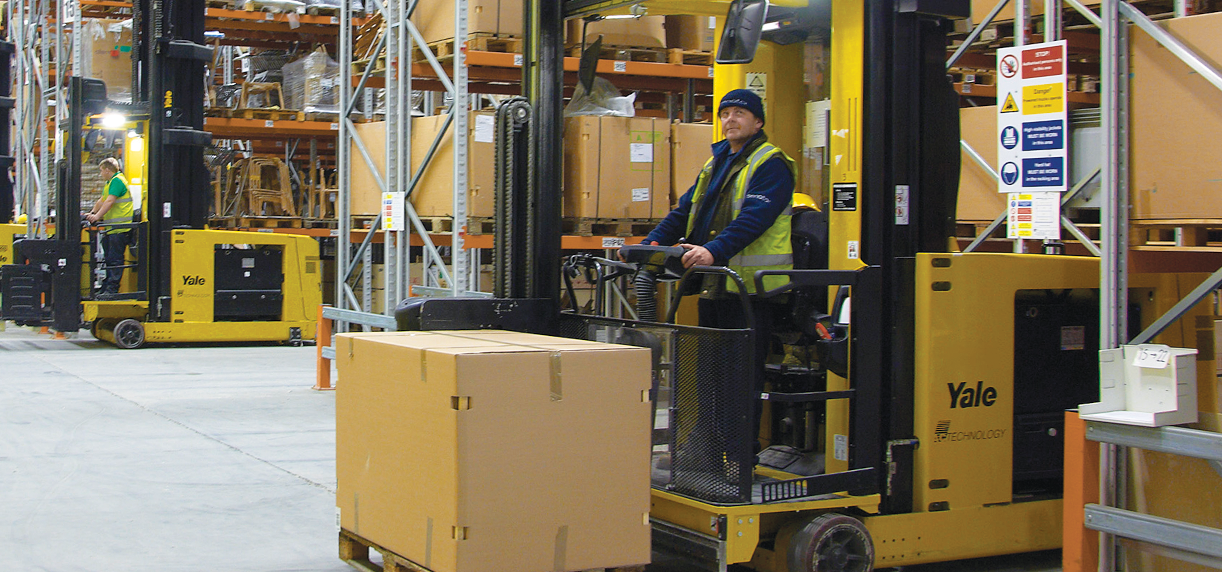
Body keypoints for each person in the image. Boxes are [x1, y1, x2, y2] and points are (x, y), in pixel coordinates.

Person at [641, 88, 796, 335]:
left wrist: (712, 250)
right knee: (712, 365)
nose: (730, 119)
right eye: (724, 113)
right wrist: (648, 246)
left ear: (758, 122)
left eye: (739, 113)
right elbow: (686, 212)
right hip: (714, 280)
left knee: (741, 367)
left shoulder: (771, 163)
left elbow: (755, 219)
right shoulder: (716, 163)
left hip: (750, 288)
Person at [85, 158, 135, 297]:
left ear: (108, 170)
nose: (101, 174)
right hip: (112, 228)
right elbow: (102, 200)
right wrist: (92, 213)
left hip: (120, 229)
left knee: (115, 259)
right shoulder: (110, 182)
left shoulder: (118, 181)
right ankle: (106, 287)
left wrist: (97, 217)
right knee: (108, 259)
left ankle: (112, 290)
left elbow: (109, 201)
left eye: (101, 171)